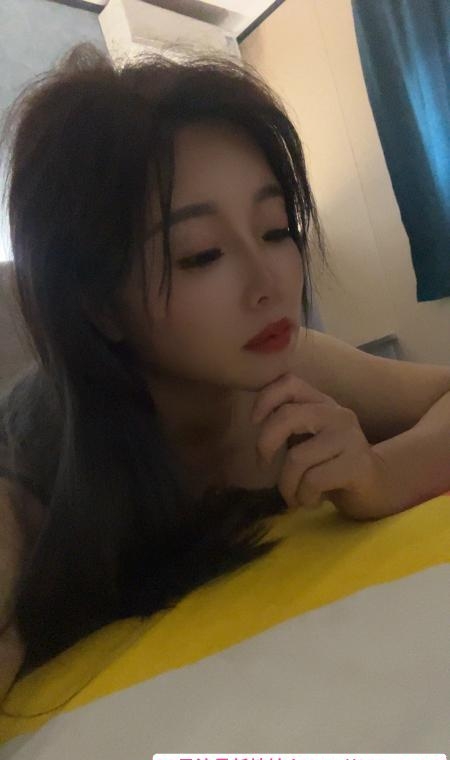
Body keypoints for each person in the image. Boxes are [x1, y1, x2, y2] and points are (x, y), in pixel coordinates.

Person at [0, 42, 329, 697]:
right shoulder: (33, 476)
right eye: (201, 254)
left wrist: (382, 472)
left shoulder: (283, 369)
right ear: (101, 307)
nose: (268, 282)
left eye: (274, 229)